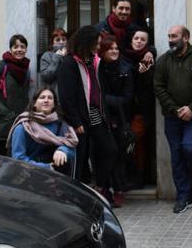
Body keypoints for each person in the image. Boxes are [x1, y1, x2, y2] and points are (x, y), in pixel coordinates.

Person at [153, 25, 192, 214]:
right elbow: (158, 87)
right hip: (172, 116)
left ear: (185, 38)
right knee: (177, 155)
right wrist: (175, 109)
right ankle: (183, 196)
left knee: (189, 147)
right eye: (169, 36)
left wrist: (191, 108)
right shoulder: (163, 60)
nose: (171, 39)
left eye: (175, 36)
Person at [57, 25, 117, 197]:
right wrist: (75, 121)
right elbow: (66, 97)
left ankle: (98, 187)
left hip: (96, 115)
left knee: (110, 149)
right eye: (96, 43)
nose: (99, 47)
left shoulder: (95, 61)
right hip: (79, 120)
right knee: (81, 158)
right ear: (86, 42)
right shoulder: (69, 63)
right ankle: (77, 195)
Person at [98, 35, 136, 207]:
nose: (114, 51)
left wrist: (105, 99)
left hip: (121, 119)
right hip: (101, 119)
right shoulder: (97, 69)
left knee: (119, 154)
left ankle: (119, 189)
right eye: (110, 49)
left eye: (116, 48)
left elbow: (128, 98)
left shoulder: (126, 69)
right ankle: (105, 188)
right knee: (105, 154)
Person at [7, 87, 78, 173]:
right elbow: (18, 159)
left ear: (54, 104)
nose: (46, 100)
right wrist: (46, 167)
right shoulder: (23, 126)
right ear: (34, 104)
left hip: (57, 176)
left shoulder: (60, 124)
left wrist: (62, 150)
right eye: (42, 97)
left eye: (50, 98)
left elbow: (71, 147)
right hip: (30, 174)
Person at [0, 34, 32, 156]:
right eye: (16, 47)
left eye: (22, 47)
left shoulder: (26, 69)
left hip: (18, 126)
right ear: (10, 49)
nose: (19, 50)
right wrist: (7, 114)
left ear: (26, 49)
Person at [121, 28, 157, 188]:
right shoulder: (122, 57)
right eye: (136, 38)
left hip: (140, 111)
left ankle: (139, 177)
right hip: (123, 110)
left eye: (143, 39)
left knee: (137, 144)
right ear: (131, 40)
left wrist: (145, 74)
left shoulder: (150, 59)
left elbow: (150, 87)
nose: (139, 41)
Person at [97, 0, 153, 67]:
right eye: (121, 8)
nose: (124, 11)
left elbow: (149, 44)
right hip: (106, 70)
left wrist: (150, 52)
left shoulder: (137, 28)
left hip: (131, 71)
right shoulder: (100, 28)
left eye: (127, 9)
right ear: (114, 9)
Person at [38, 27, 68, 92]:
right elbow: (46, 77)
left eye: (64, 39)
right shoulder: (47, 56)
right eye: (58, 40)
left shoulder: (70, 56)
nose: (61, 42)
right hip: (53, 94)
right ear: (52, 42)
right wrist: (56, 57)